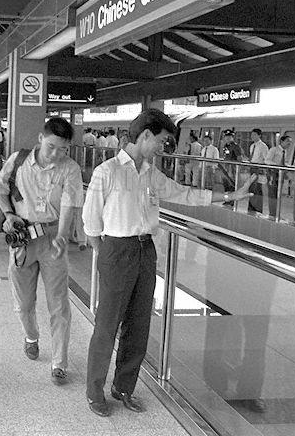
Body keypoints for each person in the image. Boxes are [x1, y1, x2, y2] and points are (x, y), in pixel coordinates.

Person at [82, 108, 252, 417]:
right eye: (161, 141)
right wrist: (106, 256)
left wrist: (228, 196)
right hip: (117, 250)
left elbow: (182, 193)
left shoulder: (150, 173)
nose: (163, 148)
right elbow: (91, 223)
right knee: (107, 325)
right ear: (145, 135)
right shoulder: (107, 172)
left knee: (139, 323)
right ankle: (95, 391)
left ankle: (123, 387)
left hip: (146, 251)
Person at [0, 117, 84, 386]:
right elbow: (0, 189)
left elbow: (70, 203)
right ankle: (31, 336)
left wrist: (64, 234)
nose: (57, 154)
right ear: (41, 139)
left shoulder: (70, 169)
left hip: (53, 238)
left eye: (63, 149)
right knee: (23, 303)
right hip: (22, 239)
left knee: (59, 304)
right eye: (52, 147)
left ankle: (59, 363)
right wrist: (8, 215)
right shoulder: (18, 161)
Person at [265, 135, 292, 218]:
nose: (289, 143)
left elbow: (284, 162)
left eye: (290, 142)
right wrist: (277, 166)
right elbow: (267, 160)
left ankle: (276, 213)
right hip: (273, 174)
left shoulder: (284, 151)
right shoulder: (274, 150)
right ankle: (272, 214)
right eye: (288, 141)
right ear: (281, 141)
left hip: (280, 175)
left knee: (278, 194)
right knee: (272, 194)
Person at [247, 129, 269, 214]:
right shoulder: (252, 146)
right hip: (252, 168)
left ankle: (258, 209)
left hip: (259, 169)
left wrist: (263, 170)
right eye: (251, 135)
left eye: (254, 135)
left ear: (259, 135)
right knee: (251, 188)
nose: (252, 136)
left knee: (258, 190)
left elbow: (266, 159)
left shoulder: (263, 146)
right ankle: (251, 208)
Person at [219, 130, 243, 206]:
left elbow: (239, 158)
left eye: (229, 137)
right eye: (226, 136)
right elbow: (225, 156)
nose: (227, 138)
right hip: (226, 167)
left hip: (232, 169)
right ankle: (228, 199)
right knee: (226, 185)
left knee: (232, 185)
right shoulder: (226, 146)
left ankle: (232, 200)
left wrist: (236, 168)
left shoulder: (235, 146)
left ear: (232, 137)